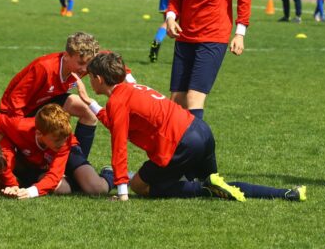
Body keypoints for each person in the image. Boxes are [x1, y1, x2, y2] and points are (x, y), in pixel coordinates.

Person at [73, 52, 306, 202]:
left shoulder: (118, 101)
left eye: (90, 77)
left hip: (181, 144)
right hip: (201, 131)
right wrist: (90, 103)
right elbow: (116, 121)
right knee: (219, 182)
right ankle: (286, 193)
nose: (88, 81)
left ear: (99, 80)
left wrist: (122, 194)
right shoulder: (132, 88)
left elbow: (119, 147)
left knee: (139, 185)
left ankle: (201, 190)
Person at [0, 104, 112, 199]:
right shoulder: (20, 126)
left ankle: (109, 174)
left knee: (96, 189)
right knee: (61, 189)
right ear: (39, 134)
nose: (61, 142)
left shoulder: (64, 143)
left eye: (64, 138)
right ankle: (71, 181)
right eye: (56, 139)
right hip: (36, 165)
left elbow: (54, 175)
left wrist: (30, 192)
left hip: (68, 156)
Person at [0, 32, 100, 159]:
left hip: (46, 104)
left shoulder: (82, 67)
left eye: (88, 64)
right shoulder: (44, 68)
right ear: (67, 55)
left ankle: (80, 162)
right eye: (80, 63)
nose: (85, 69)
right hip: (20, 112)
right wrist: (21, 131)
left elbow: (108, 58)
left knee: (89, 113)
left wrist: (128, 78)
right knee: (51, 133)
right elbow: (15, 102)